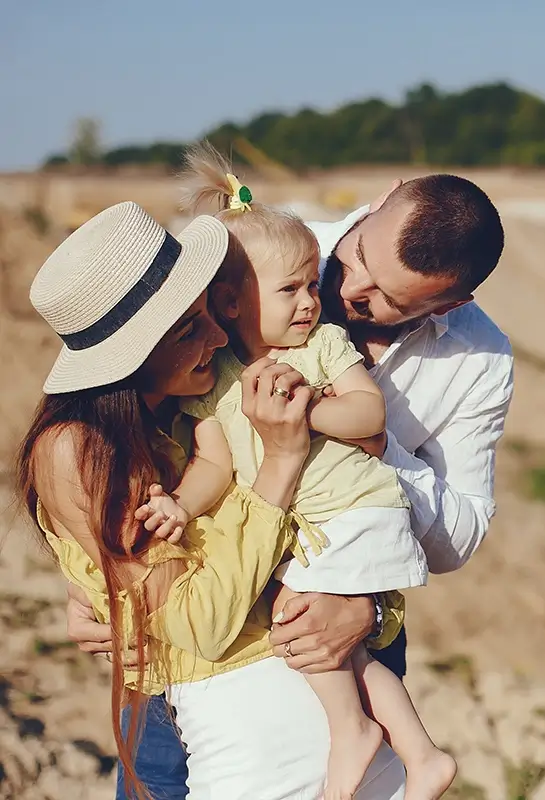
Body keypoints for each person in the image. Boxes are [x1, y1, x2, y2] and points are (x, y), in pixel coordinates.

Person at [67, 161, 514, 800]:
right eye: (358, 254)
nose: (346, 287)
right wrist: (91, 572)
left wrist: (366, 460)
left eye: (386, 300)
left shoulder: (479, 359)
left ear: (452, 303)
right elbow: (120, 419)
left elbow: (458, 536)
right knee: (153, 785)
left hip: (337, 628)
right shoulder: (249, 256)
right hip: (187, 621)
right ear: (384, 195)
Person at [16, 201, 407, 800]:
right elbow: (204, 621)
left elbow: (352, 517)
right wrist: (280, 460)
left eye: (209, 315)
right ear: (132, 355)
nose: (221, 337)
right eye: (190, 328)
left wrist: (370, 607)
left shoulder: (190, 414)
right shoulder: (80, 448)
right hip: (234, 720)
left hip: (285, 711)